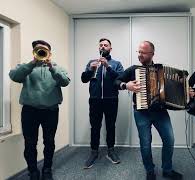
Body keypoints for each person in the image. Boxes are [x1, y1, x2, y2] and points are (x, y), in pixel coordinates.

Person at [115, 41, 183, 180]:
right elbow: (116, 81)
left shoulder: (162, 71)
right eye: (138, 52)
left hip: (160, 112)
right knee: (145, 143)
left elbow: (175, 89)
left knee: (169, 140)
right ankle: (150, 170)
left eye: (143, 52)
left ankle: (167, 169)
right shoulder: (134, 69)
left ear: (152, 54)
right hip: (141, 113)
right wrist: (125, 85)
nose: (140, 55)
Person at [9, 40, 70, 180]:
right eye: (38, 50)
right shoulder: (26, 67)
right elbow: (14, 76)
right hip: (30, 111)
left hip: (51, 111)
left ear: (50, 53)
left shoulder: (56, 67)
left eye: (44, 50)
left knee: (49, 141)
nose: (41, 52)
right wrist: (32, 63)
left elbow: (65, 82)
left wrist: (51, 67)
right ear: (34, 52)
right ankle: (33, 171)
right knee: (30, 143)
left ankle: (47, 169)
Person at [81, 38, 124, 168]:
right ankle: (94, 152)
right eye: (101, 45)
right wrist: (90, 70)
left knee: (111, 126)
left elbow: (120, 78)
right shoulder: (91, 62)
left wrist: (108, 67)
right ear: (98, 48)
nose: (103, 47)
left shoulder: (116, 63)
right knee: (95, 126)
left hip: (111, 100)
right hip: (95, 100)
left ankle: (111, 151)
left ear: (110, 48)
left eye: (105, 45)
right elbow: (84, 79)